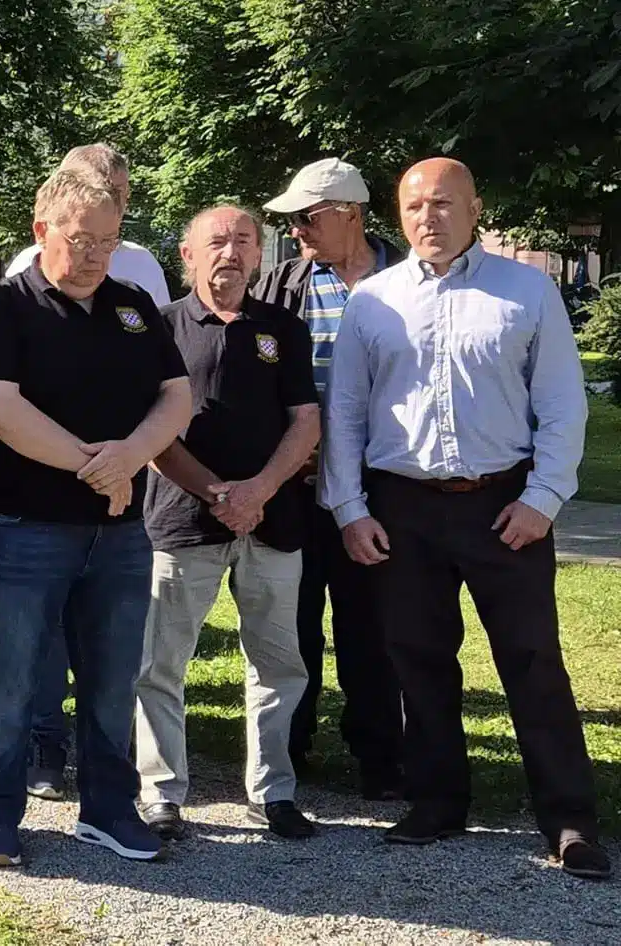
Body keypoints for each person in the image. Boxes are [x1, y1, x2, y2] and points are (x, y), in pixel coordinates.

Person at [323, 157, 609, 880]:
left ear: (475, 209)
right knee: (418, 659)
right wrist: (350, 508)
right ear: (399, 215)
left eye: (444, 203)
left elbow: (562, 403)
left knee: (532, 661)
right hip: (402, 506)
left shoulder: (527, 291)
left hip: (503, 504)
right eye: (415, 206)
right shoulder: (373, 301)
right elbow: (345, 412)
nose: (429, 217)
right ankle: (437, 801)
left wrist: (543, 498)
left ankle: (569, 819)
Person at [0, 168, 191, 866]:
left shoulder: (133, 306)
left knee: (113, 677)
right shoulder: (5, 305)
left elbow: (176, 397)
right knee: (10, 678)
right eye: (81, 239)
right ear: (42, 231)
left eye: (109, 242)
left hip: (119, 532)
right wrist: (96, 468)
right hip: (25, 525)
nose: (95, 256)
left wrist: (129, 458)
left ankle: (108, 809)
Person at [132, 206, 319, 842]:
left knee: (279, 664)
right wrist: (219, 493)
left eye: (243, 241)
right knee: (160, 664)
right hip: (182, 522)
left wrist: (258, 491)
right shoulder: (160, 327)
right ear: (187, 255)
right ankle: (161, 793)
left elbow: (306, 421)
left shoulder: (283, 328)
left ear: (259, 255)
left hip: (273, 522)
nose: (230, 252)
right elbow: (153, 432)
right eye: (216, 241)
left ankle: (274, 793)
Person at [252, 157, 406, 794]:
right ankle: (291, 749)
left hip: (376, 487)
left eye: (307, 218)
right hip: (295, 483)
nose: (296, 231)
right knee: (290, 620)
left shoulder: (408, 279)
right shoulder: (283, 282)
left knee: (373, 623)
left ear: (351, 214)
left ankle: (379, 758)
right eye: (291, 221)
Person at [3, 144, 172, 306]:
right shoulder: (25, 269)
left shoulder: (142, 264)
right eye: (102, 191)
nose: (115, 202)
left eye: (121, 192)